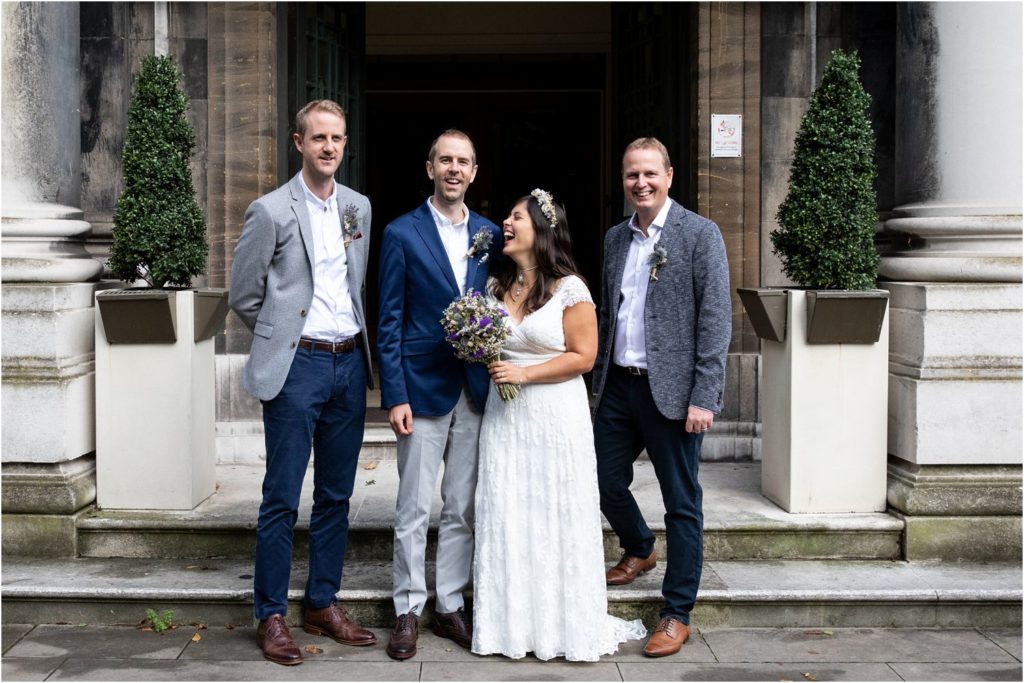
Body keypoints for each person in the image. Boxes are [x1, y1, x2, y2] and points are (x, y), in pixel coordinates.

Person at [228, 99, 376, 665]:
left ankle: (321, 603)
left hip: (348, 364)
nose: (328, 147)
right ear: (299, 143)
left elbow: (354, 283)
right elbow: (245, 294)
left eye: (336, 138)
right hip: (298, 367)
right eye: (318, 138)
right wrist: (283, 338)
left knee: (337, 495)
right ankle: (270, 614)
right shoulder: (269, 211)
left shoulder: (358, 207)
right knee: (282, 496)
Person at [473, 189, 647, 661]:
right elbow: (491, 346)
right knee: (509, 510)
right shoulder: (495, 287)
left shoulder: (571, 288)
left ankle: (560, 626)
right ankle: (511, 627)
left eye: (516, 217)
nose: (506, 224)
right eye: (507, 216)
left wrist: (524, 374)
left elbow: (584, 357)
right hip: (506, 418)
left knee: (553, 512)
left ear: (541, 229)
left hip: (555, 418)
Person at [592, 137, 731, 657]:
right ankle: (639, 547)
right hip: (619, 385)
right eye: (632, 174)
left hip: (673, 392)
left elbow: (716, 319)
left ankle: (676, 613)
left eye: (650, 173)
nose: (641, 183)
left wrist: (705, 396)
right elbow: (609, 314)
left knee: (681, 503)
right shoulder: (615, 238)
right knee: (601, 478)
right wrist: (595, 385)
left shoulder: (700, 234)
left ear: (669, 176)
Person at [377, 130, 503, 660]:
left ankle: (450, 604)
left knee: (461, 507)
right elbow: (389, 320)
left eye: (463, 161)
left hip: (473, 388)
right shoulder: (400, 232)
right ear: (430, 168)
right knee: (412, 506)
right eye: (445, 160)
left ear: (474, 172)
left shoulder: (490, 234)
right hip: (421, 388)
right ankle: (407, 607)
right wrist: (394, 394)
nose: (454, 169)